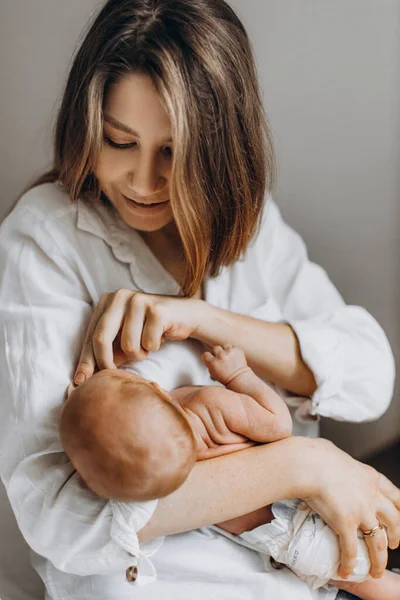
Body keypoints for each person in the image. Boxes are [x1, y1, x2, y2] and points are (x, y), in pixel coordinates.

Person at [0, 1, 398, 599]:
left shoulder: (249, 224)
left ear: (218, 144)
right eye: (118, 140)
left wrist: (208, 320)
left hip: (302, 560)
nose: (141, 181)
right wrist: (301, 466)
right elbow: (58, 519)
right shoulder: (47, 240)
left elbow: (371, 378)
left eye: (172, 151)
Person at [60, 343, 400, 600]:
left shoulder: (152, 472)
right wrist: (239, 376)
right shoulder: (205, 407)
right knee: (373, 569)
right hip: (307, 507)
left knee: (349, 575)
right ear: (152, 387)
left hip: (276, 541)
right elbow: (278, 425)